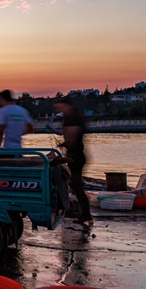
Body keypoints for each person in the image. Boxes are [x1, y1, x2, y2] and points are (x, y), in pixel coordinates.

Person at [55, 96, 93, 225]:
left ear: (67, 106)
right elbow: (72, 140)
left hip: (75, 157)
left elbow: (72, 140)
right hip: (76, 155)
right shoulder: (73, 118)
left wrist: (65, 143)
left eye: (60, 107)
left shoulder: (72, 119)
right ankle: (85, 213)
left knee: (76, 185)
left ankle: (86, 214)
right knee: (75, 185)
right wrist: (64, 144)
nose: (59, 110)